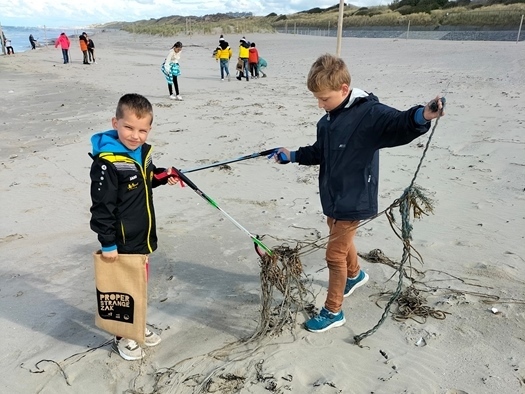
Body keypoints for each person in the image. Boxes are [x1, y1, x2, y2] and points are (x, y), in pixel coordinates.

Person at [272, 53, 445, 333]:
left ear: (343, 89)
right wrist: (291, 155)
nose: (320, 104)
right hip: (333, 195)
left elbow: (400, 123)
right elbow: (320, 152)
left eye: (324, 98)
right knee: (337, 234)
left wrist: (422, 115)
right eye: (316, 99)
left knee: (333, 254)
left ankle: (333, 311)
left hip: (355, 197)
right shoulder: (326, 121)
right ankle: (355, 275)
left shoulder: (370, 114)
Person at [89, 93, 179, 361]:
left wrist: (162, 176)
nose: (135, 135)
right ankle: (122, 334)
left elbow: (144, 178)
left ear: (149, 130)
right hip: (120, 240)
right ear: (115, 122)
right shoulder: (107, 162)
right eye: (128, 127)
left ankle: (136, 326)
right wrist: (107, 243)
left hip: (142, 235)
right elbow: (102, 208)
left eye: (142, 130)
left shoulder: (143, 152)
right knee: (122, 288)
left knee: (139, 284)